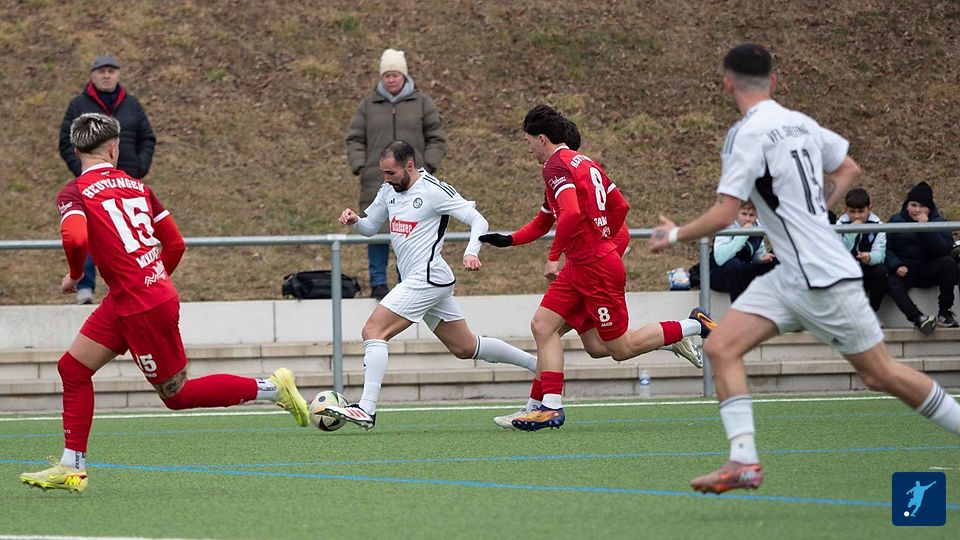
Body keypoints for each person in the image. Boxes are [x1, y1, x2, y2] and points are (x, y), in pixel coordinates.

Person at [649, 43, 960, 494]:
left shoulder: (744, 134)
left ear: (727, 83)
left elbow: (725, 213)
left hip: (822, 276)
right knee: (721, 347)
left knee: (880, 374)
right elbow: (848, 167)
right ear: (774, 80)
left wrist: (675, 234)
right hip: (791, 275)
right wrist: (813, 208)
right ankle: (743, 462)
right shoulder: (802, 123)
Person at [20, 114, 309, 493]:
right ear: (114, 148)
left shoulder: (74, 192)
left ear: (76, 152)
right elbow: (175, 244)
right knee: (72, 368)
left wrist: (75, 276)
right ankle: (72, 466)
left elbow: (75, 239)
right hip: (132, 298)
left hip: (140, 305)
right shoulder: (139, 187)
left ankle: (272, 388)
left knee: (177, 396)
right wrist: (151, 278)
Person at [482, 105, 715, 432]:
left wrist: (558, 255)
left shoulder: (555, 167)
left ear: (542, 139)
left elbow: (572, 213)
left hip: (593, 268)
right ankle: (544, 407)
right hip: (582, 266)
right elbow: (612, 207)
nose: (528, 147)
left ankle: (692, 325)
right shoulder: (584, 163)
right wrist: (508, 240)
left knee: (620, 348)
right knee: (548, 329)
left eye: (528, 141)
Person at [316, 141, 538, 430]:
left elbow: (478, 221)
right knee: (466, 347)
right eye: (383, 173)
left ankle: (367, 408)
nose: (386, 178)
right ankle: (539, 366)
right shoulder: (388, 190)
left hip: (427, 277)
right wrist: (356, 221)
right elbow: (370, 227)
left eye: (391, 173)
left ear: (409, 166)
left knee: (373, 331)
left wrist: (471, 251)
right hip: (423, 280)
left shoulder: (434, 190)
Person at [346, 48, 447, 300]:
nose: (391, 79)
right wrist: (361, 166)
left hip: (413, 182)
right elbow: (355, 138)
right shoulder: (368, 106)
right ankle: (378, 282)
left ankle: (407, 279)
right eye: (387, 75)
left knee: (410, 230)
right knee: (377, 228)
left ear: (404, 76)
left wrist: (428, 164)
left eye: (395, 75)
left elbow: (436, 136)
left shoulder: (422, 103)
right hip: (376, 180)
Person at [59, 54, 157, 305]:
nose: (106, 75)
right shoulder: (79, 105)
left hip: (127, 181)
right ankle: (85, 287)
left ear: (118, 75)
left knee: (131, 234)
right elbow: (66, 142)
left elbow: (147, 138)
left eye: (111, 71)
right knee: (91, 232)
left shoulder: (132, 105)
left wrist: (140, 167)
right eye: (101, 71)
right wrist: (83, 169)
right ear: (93, 75)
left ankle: (137, 283)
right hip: (93, 185)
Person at [885, 181, 958, 333]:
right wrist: (896, 265)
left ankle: (944, 313)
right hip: (904, 270)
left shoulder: (939, 223)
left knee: (948, 264)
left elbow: (943, 249)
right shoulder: (895, 221)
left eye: (922, 206)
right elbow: (886, 248)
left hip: (927, 269)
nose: (917, 210)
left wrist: (925, 228)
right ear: (907, 205)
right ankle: (918, 318)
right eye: (913, 205)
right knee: (890, 281)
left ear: (930, 208)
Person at [710, 200, 777, 301]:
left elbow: (757, 254)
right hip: (721, 274)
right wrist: (743, 235)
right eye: (744, 214)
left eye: (751, 215)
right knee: (735, 264)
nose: (747, 219)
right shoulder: (727, 225)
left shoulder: (757, 226)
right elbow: (721, 258)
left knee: (776, 260)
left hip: (744, 271)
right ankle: (738, 307)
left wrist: (761, 259)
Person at [837, 187, 887, 311]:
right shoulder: (840, 225)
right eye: (852, 212)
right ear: (846, 209)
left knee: (881, 271)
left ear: (869, 208)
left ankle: (872, 312)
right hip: (847, 268)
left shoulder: (878, 226)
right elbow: (840, 253)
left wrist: (870, 257)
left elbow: (880, 254)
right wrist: (852, 232)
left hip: (868, 268)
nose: (856, 216)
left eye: (861, 211)